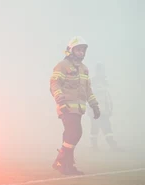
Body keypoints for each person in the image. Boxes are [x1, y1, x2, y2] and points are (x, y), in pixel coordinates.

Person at [49, 36, 101, 175]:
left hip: (78, 109)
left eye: (83, 50)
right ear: (70, 50)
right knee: (75, 133)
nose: (81, 53)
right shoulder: (62, 65)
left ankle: (67, 166)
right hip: (66, 106)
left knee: (70, 135)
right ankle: (59, 160)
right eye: (78, 50)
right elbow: (54, 84)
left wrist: (94, 105)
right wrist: (60, 101)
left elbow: (88, 89)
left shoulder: (84, 69)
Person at [87, 63, 122, 151]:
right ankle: (97, 146)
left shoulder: (105, 81)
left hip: (104, 111)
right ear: (97, 71)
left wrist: (109, 109)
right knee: (98, 128)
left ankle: (110, 146)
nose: (102, 72)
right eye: (101, 70)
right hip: (95, 110)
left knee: (104, 128)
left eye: (103, 70)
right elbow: (89, 95)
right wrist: (91, 111)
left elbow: (107, 98)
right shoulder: (93, 81)